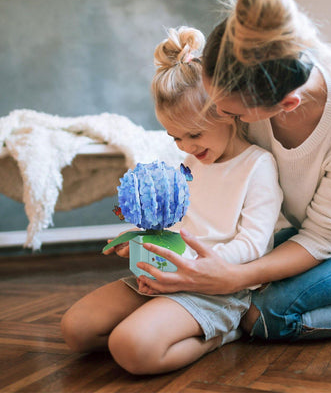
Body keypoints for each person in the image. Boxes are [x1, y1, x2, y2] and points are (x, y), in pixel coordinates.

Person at [134, 0, 331, 342]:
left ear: (286, 107)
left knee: (265, 315)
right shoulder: (248, 87)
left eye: (227, 110)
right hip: (318, 232)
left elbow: (322, 237)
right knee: (243, 290)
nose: (217, 116)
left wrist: (233, 277)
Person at [60, 26, 281, 375]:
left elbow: (254, 243)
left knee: (130, 348)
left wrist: (190, 269)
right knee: (76, 330)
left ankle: (223, 332)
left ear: (227, 114)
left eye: (193, 134)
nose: (185, 146)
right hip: (169, 275)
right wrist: (144, 240)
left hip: (216, 288)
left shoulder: (258, 165)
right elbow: (178, 223)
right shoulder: (190, 165)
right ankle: (162, 321)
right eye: (175, 136)